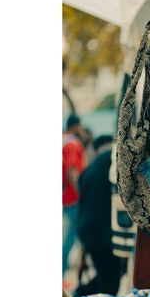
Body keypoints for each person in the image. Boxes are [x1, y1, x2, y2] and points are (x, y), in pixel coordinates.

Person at [75, 135, 127, 296]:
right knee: (110, 283)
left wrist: (82, 253)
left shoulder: (88, 170)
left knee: (106, 278)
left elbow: (83, 210)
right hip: (106, 235)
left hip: (89, 233)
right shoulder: (117, 163)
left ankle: (81, 295)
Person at [63, 114, 88, 276]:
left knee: (72, 233)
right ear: (75, 126)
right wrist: (82, 195)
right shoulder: (72, 144)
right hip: (74, 198)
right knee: (73, 234)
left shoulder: (63, 141)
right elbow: (72, 171)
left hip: (66, 196)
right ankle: (63, 268)